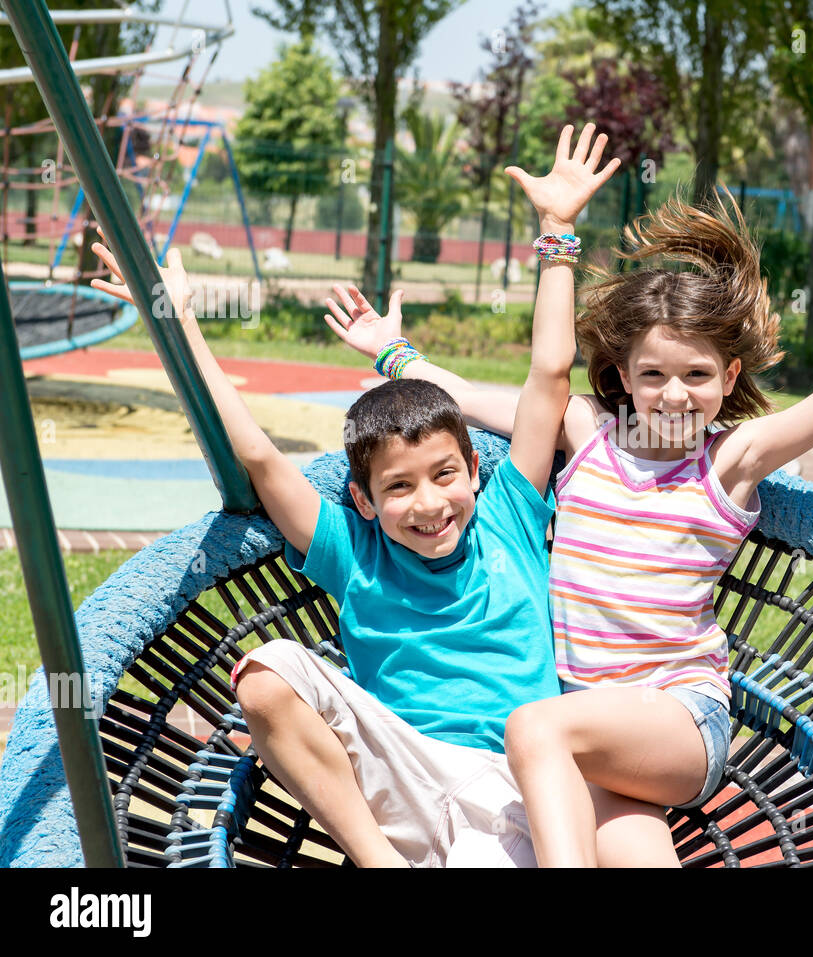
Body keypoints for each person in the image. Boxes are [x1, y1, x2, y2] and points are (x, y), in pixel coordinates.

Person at [325, 188, 813, 867]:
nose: (673, 395)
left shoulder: (730, 462)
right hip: (587, 743)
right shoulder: (585, 430)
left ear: (728, 381)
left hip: (674, 724)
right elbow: (460, 394)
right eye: (653, 375)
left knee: (531, 727)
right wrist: (388, 350)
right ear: (623, 375)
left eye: (697, 375)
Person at [88, 122, 642, 867]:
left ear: (476, 469)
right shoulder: (353, 549)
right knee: (269, 672)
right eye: (399, 487)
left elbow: (549, 373)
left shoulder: (512, 508)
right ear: (365, 498)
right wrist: (177, 318)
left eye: (446, 475)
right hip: (400, 775)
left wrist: (557, 230)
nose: (430, 503)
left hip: (515, 788)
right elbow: (256, 451)